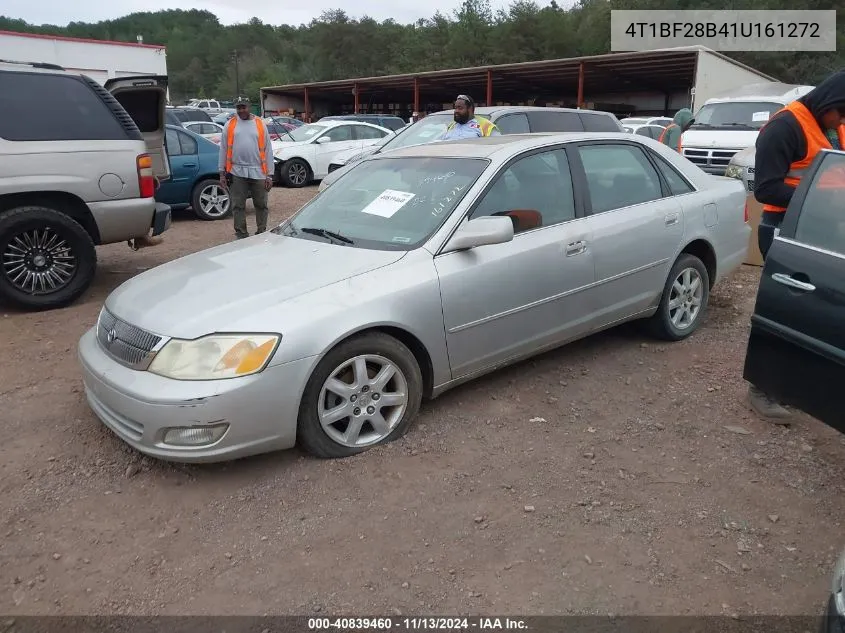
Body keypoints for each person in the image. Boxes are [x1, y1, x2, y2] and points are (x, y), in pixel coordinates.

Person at [746, 69, 845, 423]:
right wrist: (816, 197)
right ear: (830, 102)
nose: (844, 119)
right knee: (779, 311)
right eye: (843, 111)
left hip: (823, 230)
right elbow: (766, 189)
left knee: (814, 313)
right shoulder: (784, 127)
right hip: (785, 229)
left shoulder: (833, 126)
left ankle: (794, 382)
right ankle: (761, 388)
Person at [218, 96, 274, 239]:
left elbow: (268, 150)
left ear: (249, 107)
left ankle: (261, 232)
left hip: (259, 171)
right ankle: (241, 235)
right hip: (236, 171)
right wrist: (222, 173)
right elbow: (223, 149)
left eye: (244, 107)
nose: (241, 110)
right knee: (238, 206)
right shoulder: (230, 125)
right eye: (239, 108)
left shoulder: (260, 124)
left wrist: (269, 175)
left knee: (261, 204)